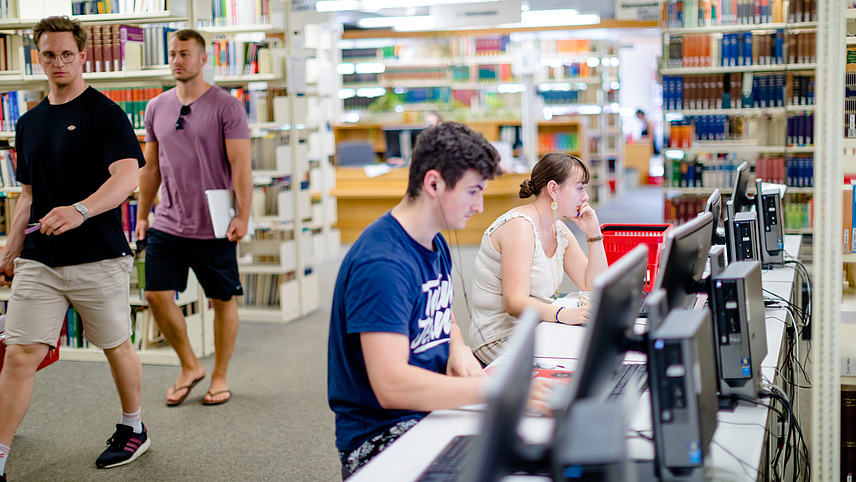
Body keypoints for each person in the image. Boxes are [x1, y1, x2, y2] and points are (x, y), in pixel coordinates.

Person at [327, 122, 552, 479]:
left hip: (430, 411)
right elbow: (391, 385)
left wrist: (459, 346)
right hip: (382, 437)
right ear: (433, 184)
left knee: (534, 451)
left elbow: (439, 314)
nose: (479, 206)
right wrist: (498, 390)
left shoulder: (434, 242)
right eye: (472, 192)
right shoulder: (382, 264)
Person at [0, 16, 148, 478]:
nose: (59, 62)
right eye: (49, 54)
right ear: (37, 57)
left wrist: (80, 210)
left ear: (83, 56)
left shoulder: (104, 113)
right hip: (39, 259)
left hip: (99, 256)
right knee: (21, 353)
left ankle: (134, 427)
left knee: (115, 345)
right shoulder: (29, 122)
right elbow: (28, 196)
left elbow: (127, 176)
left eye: (67, 53)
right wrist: (8, 252)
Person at [135, 29, 252, 407]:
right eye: (172, 54)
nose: (177, 60)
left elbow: (241, 166)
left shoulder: (226, 106)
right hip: (168, 220)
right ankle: (190, 365)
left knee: (222, 299)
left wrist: (244, 216)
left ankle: (219, 375)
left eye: (184, 53)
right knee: (155, 294)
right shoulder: (156, 107)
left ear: (203, 59)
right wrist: (141, 216)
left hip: (215, 223)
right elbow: (150, 168)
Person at [468, 153, 608, 365]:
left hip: (536, 328)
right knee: (577, 364)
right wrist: (564, 314)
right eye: (580, 188)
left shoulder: (558, 229)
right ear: (553, 189)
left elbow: (595, 286)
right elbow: (514, 303)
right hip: (500, 338)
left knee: (589, 354)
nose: (586, 196)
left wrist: (594, 234)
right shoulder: (520, 227)